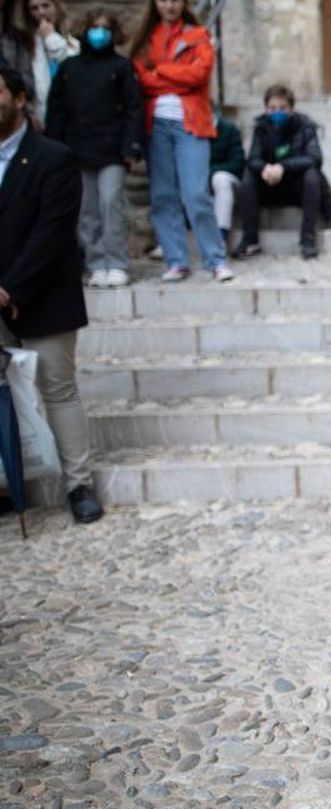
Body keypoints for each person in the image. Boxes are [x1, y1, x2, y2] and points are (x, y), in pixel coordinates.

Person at [0, 68, 103, 524]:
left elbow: (52, 231)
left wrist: (11, 288)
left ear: (19, 98)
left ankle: (79, 483)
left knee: (57, 389)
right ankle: (10, 483)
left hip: (43, 295)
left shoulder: (53, 158)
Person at [131, 0, 232, 283]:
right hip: (156, 124)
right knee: (163, 195)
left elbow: (199, 74)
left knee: (196, 194)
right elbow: (142, 79)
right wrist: (177, 77)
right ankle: (177, 260)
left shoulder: (197, 35)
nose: (169, 5)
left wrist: (161, 71)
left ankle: (215, 259)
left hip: (191, 121)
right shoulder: (146, 40)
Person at [44, 6, 141, 288]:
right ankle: (96, 262)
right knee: (87, 211)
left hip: (112, 149)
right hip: (77, 149)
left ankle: (117, 262)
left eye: (105, 29)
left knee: (111, 203)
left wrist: (131, 147)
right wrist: (56, 148)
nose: (99, 33)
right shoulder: (69, 68)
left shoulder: (122, 67)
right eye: (95, 27)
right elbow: (57, 111)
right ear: (84, 31)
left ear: (114, 33)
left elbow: (134, 109)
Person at [233, 85, 326, 260]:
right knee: (248, 174)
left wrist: (283, 168)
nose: (277, 112)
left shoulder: (305, 126)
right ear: (266, 109)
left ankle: (307, 240)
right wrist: (265, 169)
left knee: (312, 175)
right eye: (272, 108)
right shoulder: (261, 127)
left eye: (282, 108)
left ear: (291, 109)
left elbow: (314, 158)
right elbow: (253, 158)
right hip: (269, 186)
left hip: (296, 187)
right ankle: (250, 239)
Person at [21, 0, 75, 125]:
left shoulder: (73, 42)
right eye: (34, 8)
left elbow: (72, 67)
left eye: (46, 6)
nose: (41, 12)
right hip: (39, 119)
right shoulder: (26, 45)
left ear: (56, 7)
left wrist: (50, 37)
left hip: (70, 119)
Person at [208, 105, 242, 250]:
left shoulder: (229, 129)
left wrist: (208, 172)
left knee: (220, 179)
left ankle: (221, 237)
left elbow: (237, 163)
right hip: (201, 182)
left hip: (227, 181)